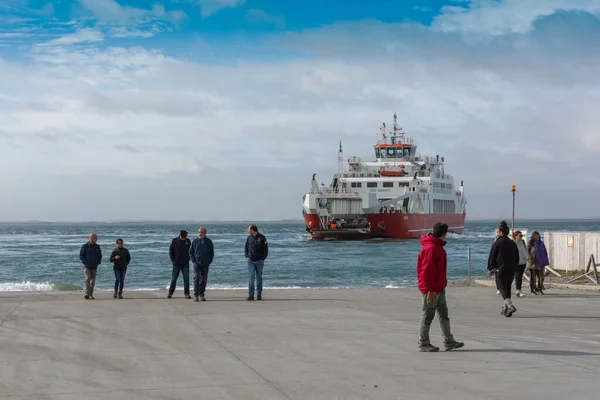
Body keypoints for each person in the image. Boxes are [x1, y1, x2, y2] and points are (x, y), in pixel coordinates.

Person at [416, 222, 464, 352]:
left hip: (439, 288)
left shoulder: (436, 247)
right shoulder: (432, 249)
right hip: (432, 289)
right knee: (428, 315)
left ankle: (449, 340)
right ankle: (423, 342)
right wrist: (430, 290)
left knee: (443, 314)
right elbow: (426, 272)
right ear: (444, 234)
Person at [488, 221, 519, 317]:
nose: (497, 233)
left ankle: (510, 306)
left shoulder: (497, 243)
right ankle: (505, 309)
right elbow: (517, 257)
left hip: (500, 269)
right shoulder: (513, 243)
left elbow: (492, 256)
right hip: (512, 269)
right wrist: (515, 266)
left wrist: (490, 268)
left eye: (498, 231)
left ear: (501, 232)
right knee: (507, 288)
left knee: (501, 287)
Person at [189, 227, 214, 302]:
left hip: (205, 264)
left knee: (204, 279)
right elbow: (191, 252)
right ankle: (196, 295)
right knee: (196, 278)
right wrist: (194, 261)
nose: (200, 233)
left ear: (205, 233)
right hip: (197, 263)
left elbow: (211, 252)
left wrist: (209, 261)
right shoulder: (195, 241)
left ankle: (201, 294)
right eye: (199, 232)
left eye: (202, 232)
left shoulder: (209, 241)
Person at [245, 224, 268, 301]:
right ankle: (251, 295)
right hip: (250, 261)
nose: (248, 230)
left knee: (259, 278)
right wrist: (247, 256)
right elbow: (246, 247)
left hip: (259, 261)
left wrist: (263, 259)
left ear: (252, 230)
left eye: (248, 229)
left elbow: (266, 249)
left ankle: (259, 295)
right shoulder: (249, 238)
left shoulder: (262, 238)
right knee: (251, 278)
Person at [168, 230, 192, 299]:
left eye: (185, 237)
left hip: (185, 263)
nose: (184, 238)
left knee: (186, 279)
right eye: (182, 237)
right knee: (174, 279)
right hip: (176, 264)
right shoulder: (174, 241)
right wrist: (173, 260)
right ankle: (170, 293)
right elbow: (170, 251)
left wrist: (188, 259)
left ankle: (187, 294)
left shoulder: (188, 241)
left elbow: (191, 251)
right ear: (180, 235)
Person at [79, 233, 102, 300]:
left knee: (92, 281)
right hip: (87, 266)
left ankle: (90, 294)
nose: (96, 239)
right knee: (87, 278)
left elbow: (100, 255)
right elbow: (81, 256)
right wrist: (85, 262)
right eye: (95, 238)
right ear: (91, 238)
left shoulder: (97, 247)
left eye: (96, 238)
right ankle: (86, 294)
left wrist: (98, 262)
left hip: (94, 266)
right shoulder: (85, 246)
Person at [513, 230, 528, 297]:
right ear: (515, 236)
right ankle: (518, 290)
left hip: (523, 262)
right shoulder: (513, 243)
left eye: (522, 235)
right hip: (516, 262)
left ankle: (519, 290)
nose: (521, 237)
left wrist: (527, 257)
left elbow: (525, 250)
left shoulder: (522, 242)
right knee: (517, 276)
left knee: (520, 276)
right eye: (520, 235)